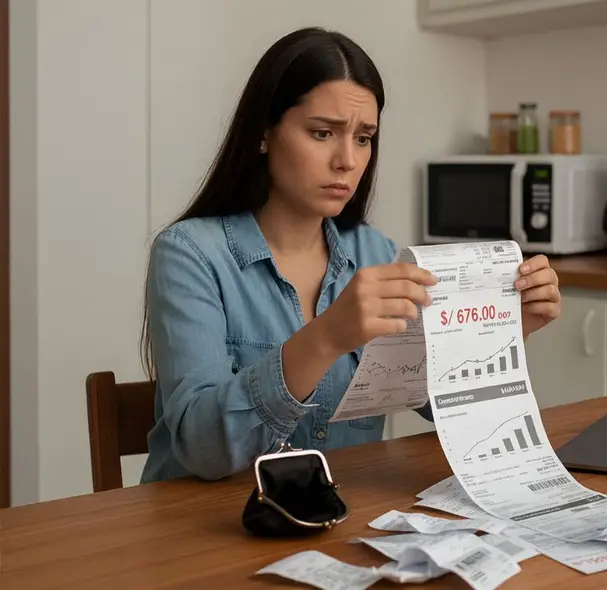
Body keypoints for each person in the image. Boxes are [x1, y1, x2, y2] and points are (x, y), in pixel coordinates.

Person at [138, 27, 562, 484]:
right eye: (322, 133)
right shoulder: (189, 254)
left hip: (338, 524)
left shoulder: (376, 253)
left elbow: (435, 404)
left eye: (364, 137)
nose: (348, 160)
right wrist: (326, 337)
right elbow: (203, 448)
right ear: (263, 134)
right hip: (198, 534)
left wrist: (498, 333)